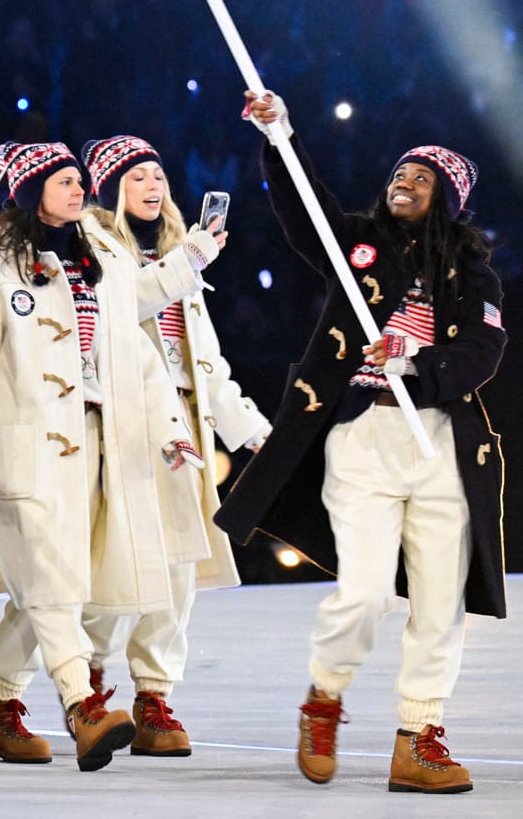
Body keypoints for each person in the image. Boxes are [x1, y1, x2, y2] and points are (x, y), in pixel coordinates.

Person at [220, 94, 505, 794]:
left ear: (448, 201)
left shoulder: (473, 275)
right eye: (398, 174)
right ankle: (323, 699)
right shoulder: (355, 245)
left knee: (439, 601)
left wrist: (414, 364)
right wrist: (278, 137)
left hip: (439, 441)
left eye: (420, 179)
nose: (401, 183)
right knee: (366, 590)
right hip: (363, 434)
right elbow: (302, 211)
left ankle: (418, 736)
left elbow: (483, 349)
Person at [0, 143, 199, 772]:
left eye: (78, 182)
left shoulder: (102, 258)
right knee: (53, 580)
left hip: (95, 441)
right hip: (21, 448)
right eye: (63, 182)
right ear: (33, 190)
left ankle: (0, 706)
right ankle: (81, 702)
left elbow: (134, 353)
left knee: (51, 583)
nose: (77, 191)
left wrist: (171, 426)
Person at [80, 135, 259, 756]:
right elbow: (121, 305)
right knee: (121, 554)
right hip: (128, 423)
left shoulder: (180, 256)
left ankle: (154, 694)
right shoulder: (95, 246)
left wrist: (252, 430)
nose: (153, 187)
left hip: (187, 426)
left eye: (158, 175)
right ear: (110, 191)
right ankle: (91, 682)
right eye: (136, 178)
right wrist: (189, 261)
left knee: (182, 562)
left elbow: (204, 365)